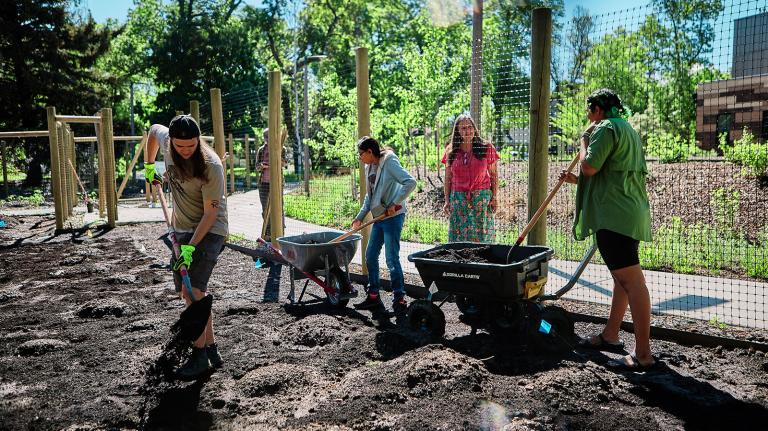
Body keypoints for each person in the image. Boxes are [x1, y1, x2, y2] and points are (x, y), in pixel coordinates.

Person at [559, 88, 655, 371]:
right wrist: (575, 180)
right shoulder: (627, 129)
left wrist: (584, 141)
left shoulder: (602, 128)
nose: (587, 117)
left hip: (614, 217)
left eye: (589, 111)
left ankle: (644, 354)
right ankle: (611, 336)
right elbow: (609, 173)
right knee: (621, 280)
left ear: (597, 110)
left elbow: (589, 166)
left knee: (633, 282)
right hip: (629, 212)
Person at [145, 115, 229, 379]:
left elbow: (210, 214)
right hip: (180, 229)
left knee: (191, 289)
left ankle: (199, 355)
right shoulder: (167, 140)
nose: (184, 151)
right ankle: (211, 349)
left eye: (190, 146)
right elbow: (152, 131)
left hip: (210, 230)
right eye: (179, 147)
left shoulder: (211, 166)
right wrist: (149, 167)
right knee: (193, 292)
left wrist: (191, 248)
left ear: (198, 140)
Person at [352, 136, 416, 317]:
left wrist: (395, 204)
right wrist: (360, 217)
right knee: (370, 255)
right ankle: (373, 295)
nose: (360, 157)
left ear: (370, 152)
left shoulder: (389, 162)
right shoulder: (368, 167)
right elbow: (370, 196)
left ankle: (399, 297)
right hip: (379, 217)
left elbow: (410, 183)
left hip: (393, 217)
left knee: (391, 259)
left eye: (361, 154)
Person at [441, 114, 499, 243]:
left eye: (470, 127)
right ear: (457, 131)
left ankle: (483, 261)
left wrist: (494, 197)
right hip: (458, 199)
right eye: (463, 128)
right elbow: (448, 178)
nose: (467, 131)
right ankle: (460, 262)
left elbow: (494, 175)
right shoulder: (451, 151)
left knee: (482, 235)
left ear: (474, 128)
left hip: (481, 198)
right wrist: (447, 200)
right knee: (459, 236)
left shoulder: (486, 147)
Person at [255, 128, 287, 241]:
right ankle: (268, 234)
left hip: (277, 183)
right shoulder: (261, 150)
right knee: (265, 209)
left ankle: (281, 232)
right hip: (264, 183)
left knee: (278, 208)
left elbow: (284, 163)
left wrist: (276, 159)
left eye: (270, 137)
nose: (268, 140)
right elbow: (257, 167)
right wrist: (261, 166)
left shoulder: (281, 148)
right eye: (266, 137)